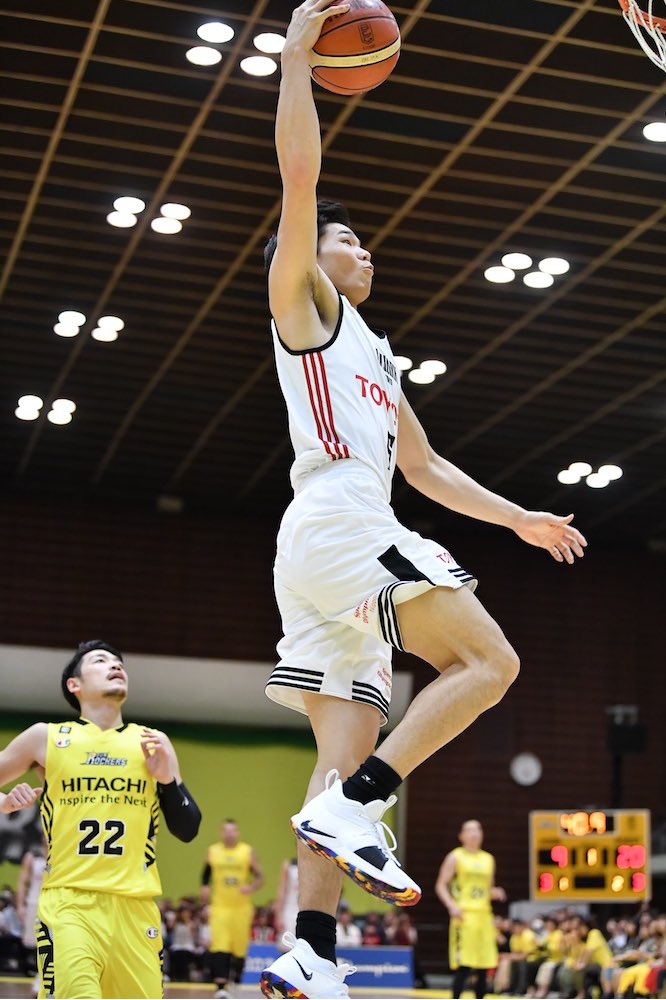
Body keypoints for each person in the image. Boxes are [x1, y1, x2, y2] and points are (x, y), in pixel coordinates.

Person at [259, 2, 587, 997]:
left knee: (340, 752)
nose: (362, 247)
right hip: (341, 521)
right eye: (345, 238)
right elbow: (300, 180)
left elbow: (430, 469)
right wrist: (297, 63)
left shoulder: (378, 356)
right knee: (490, 661)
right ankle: (363, 804)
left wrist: (518, 519)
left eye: (363, 241)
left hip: (329, 545)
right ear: (311, 255)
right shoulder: (303, 305)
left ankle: (311, 949)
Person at [0, 639, 201, 999]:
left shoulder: (152, 742)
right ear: (74, 684)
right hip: (70, 903)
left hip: (136, 909)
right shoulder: (47, 737)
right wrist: (4, 803)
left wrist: (167, 780)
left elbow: (188, 829)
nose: (115, 665)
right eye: (100, 660)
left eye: (118, 662)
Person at [435, 819, 506, 999]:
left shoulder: (488, 859)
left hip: (484, 915)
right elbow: (440, 885)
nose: (475, 833)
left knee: (484, 965)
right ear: (461, 836)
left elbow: (487, 889)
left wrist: (495, 892)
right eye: (470, 830)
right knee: (464, 964)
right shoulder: (455, 856)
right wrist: (451, 905)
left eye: (478, 829)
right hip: (464, 915)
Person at [200, 818, 264, 998]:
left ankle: (235, 981)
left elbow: (260, 877)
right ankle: (221, 988)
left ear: (237, 833)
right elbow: (205, 876)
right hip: (220, 907)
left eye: (232, 830)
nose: (229, 834)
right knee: (219, 946)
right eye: (226, 831)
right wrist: (204, 891)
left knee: (239, 949)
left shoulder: (246, 851)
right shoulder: (213, 851)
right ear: (221, 833)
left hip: (241, 908)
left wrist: (251, 887)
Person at [15, 835, 48, 995]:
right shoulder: (32, 857)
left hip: (54, 904)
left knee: (51, 942)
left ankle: (40, 982)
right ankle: (40, 979)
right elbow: (22, 882)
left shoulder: (61, 853)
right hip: (34, 904)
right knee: (36, 945)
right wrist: (20, 905)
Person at [274, 857, 299, 940]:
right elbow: (282, 890)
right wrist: (278, 915)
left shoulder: (314, 865)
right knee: (287, 941)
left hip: (307, 909)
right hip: (289, 909)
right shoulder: (288, 865)